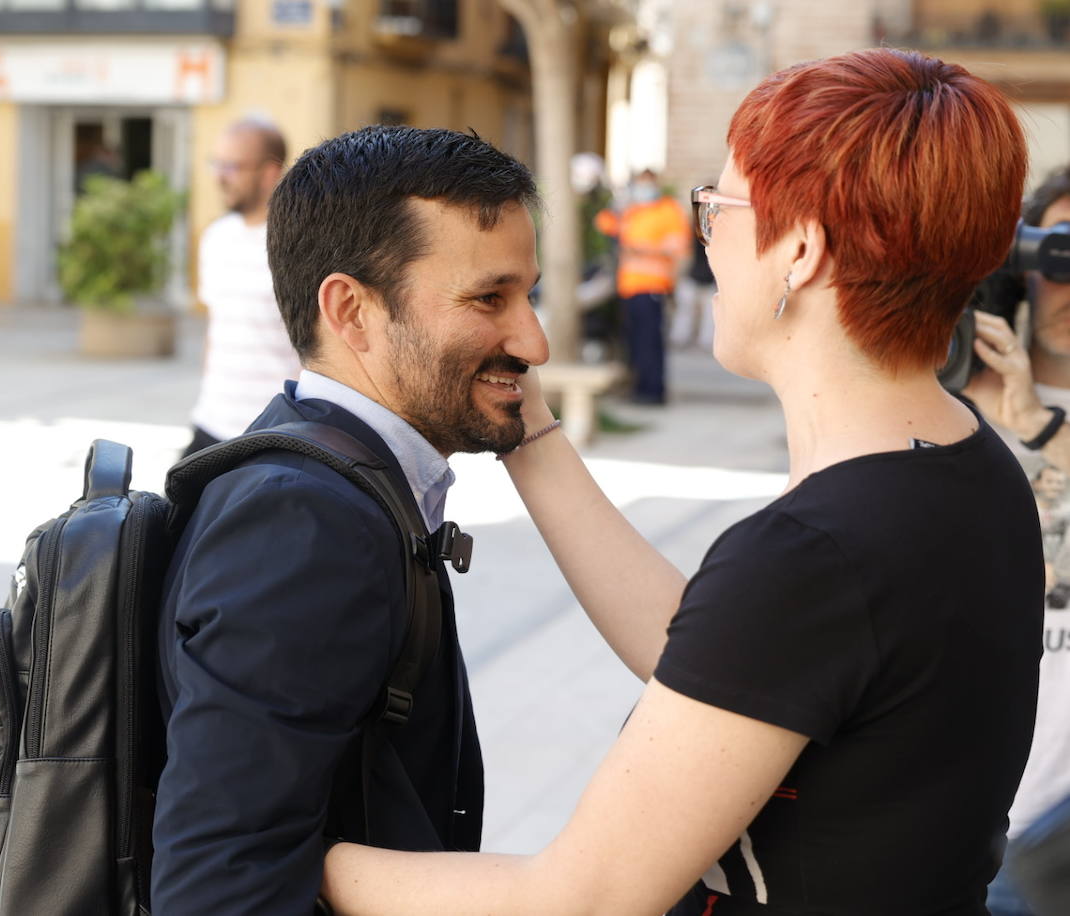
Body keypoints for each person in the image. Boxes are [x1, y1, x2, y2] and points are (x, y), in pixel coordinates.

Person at [321, 48, 1044, 916]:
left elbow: (581, 898)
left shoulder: (816, 556)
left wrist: (272, 850)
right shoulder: (972, 466)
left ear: (801, 250)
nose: (707, 237)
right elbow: (730, 661)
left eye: (719, 208)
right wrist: (532, 436)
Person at [152, 126, 548, 912]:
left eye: (529, 295)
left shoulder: (331, 476)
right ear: (351, 311)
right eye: (488, 299)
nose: (533, 340)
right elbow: (219, 886)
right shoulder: (305, 524)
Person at [964, 164, 1070, 916]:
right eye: (1061, 253)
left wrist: (1041, 427)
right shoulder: (953, 403)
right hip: (967, 824)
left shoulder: (1030, 418)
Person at [182, 117, 300, 458]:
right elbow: (216, 330)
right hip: (210, 425)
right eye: (217, 163)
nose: (219, 176)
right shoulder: (216, 238)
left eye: (232, 166)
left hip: (274, 435)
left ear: (269, 173)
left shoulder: (297, 246)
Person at [595, 168, 690, 404]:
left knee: (650, 341)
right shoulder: (633, 211)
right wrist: (618, 206)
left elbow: (677, 248)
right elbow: (604, 223)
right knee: (634, 341)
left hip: (653, 286)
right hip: (629, 287)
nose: (643, 189)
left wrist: (642, 249)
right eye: (639, 184)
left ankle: (653, 391)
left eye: (646, 184)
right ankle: (638, 389)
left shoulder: (668, 211)